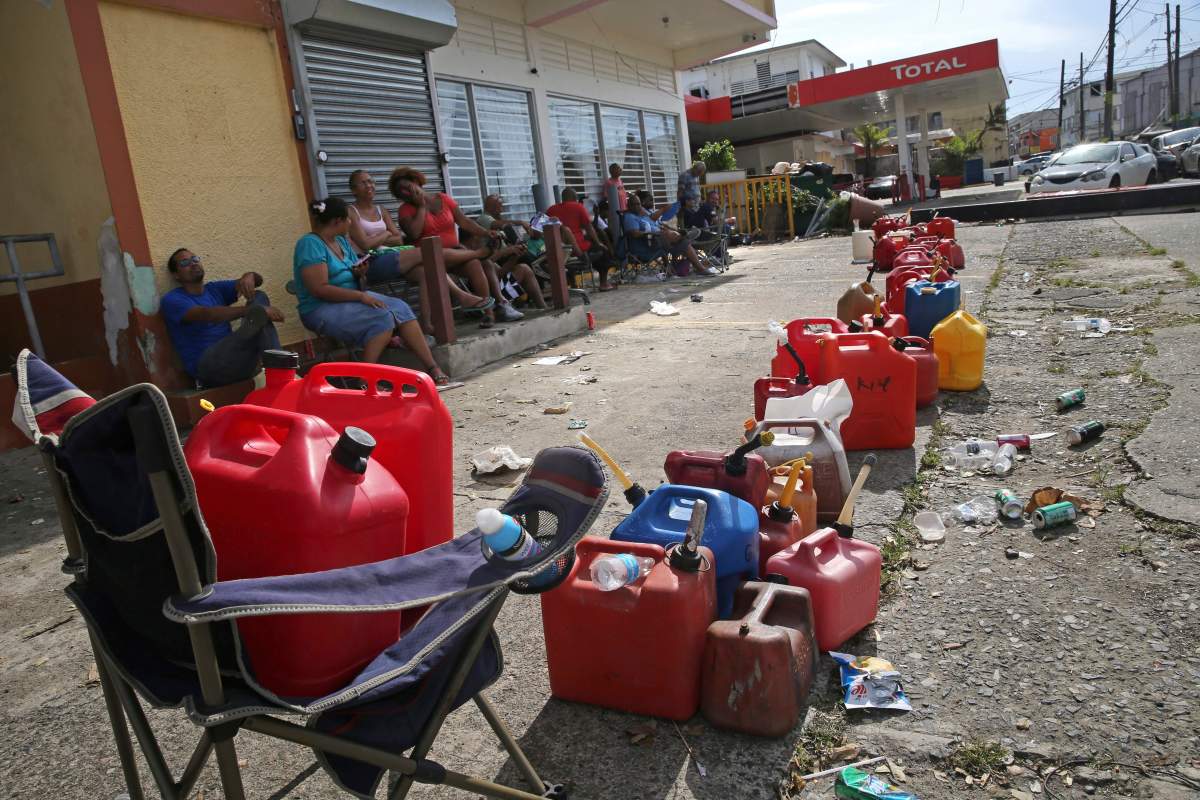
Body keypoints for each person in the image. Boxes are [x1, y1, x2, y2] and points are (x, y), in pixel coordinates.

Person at [294, 197, 448, 381]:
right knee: (383, 319)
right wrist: (360, 296)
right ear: (337, 221)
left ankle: (432, 368)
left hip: (352, 298)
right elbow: (319, 289)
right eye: (348, 219)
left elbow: (352, 275)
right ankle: (366, 378)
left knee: (401, 308)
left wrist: (360, 274)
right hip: (320, 308)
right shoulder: (310, 244)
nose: (351, 223)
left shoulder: (342, 242)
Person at [345, 169, 494, 334]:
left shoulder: (382, 210)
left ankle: (427, 324)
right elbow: (365, 244)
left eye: (371, 181)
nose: (369, 185)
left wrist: (380, 236)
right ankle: (471, 272)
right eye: (363, 183)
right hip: (371, 262)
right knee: (428, 251)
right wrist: (386, 233)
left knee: (426, 271)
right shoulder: (352, 212)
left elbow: (398, 239)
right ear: (353, 189)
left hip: (395, 257)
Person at [391, 167, 522, 326]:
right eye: (401, 191)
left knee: (474, 264)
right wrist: (421, 206)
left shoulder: (444, 199)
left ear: (417, 181)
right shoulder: (405, 210)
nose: (405, 192)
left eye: (407, 186)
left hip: (455, 255)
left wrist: (486, 233)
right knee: (476, 258)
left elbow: (464, 221)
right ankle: (479, 255)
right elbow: (414, 233)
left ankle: (489, 313)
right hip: (429, 259)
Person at [161, 250, 284, 388]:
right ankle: (282, 370)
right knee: (258, 313)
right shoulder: (172, 300)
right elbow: (207, 315)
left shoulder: (214, 289)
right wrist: (253, 311)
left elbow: (257, 282)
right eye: (185, 262)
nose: (193, 264)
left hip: (237, 358)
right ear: (176, 275)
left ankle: (280, 369)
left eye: (195, 259)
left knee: (258, 297)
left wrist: (249, 276)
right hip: (210, 367)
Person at [474, 195, 548, 309]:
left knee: (526, 260)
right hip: (496, 282)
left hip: (501, 266)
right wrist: (520, 222)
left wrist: (513, 250)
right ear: (491, 207)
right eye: (500, 206)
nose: (502, 210)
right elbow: (500, 224)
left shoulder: (494, 230)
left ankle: (538, 302)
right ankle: (543, 273)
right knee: (530, 262)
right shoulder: (484, 219)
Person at [623, 193, 714, 276]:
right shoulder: (630, 217)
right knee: (678, 239)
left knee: (684, 243)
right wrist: (654, 233)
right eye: (633, 204)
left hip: (660, 239)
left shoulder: (643, 216)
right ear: (628, 206)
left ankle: (698, 267)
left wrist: (664, 229)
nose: (637, 206)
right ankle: (683, 236)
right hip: (649, 243)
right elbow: (635, 234)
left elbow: (656, 224)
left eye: (638, 204)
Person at [547, 188, 614, 290]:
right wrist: (598, 243)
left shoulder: (550, 210)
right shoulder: (578, 207)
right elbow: (589, 228)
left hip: (559, 249)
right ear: (575, 198)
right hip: (577, 249)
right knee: (602, 252)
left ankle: (573, 284)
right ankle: (603, 284)